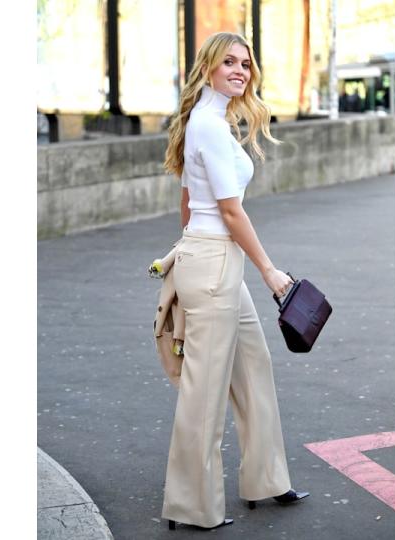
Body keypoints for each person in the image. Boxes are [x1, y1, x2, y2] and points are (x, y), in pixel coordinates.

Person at [159, 31, 309, 531]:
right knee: (205, 392)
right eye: (228, 62)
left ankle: (266, 479)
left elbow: (188, 203)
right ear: (208, 68)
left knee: (254, 367)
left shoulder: (210, 121)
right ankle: (192, 506)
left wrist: (193, 248)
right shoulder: (206, 125)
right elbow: (229, 209)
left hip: (213, 259)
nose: (240, 70)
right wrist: (270, 271)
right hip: (217, 262)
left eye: (246, 63)